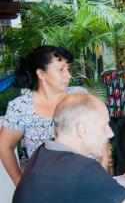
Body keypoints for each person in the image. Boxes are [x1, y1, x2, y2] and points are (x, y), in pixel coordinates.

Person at [0, 45, 88, 185]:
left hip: (86, 182)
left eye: (67, 68)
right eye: (61, 69)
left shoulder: (80, 96)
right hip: (45, 189)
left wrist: (103, 173)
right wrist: (20, 183)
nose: (68, 75)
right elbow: (4, 146)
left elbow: (101, 135)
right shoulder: (21, 107)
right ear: (41, 74)